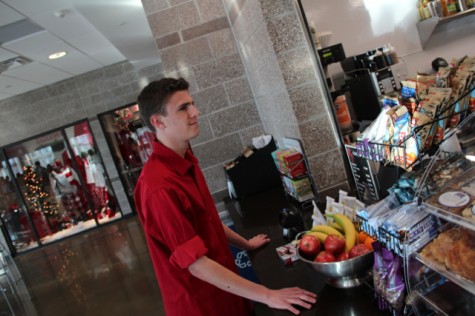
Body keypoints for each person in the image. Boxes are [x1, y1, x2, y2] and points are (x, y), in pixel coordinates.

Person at [134, 78, 317, 316]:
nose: (195, 112)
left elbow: (207, 220)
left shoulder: (185, 157)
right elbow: (197, 265)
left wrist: (245, 243)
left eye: (192, 104)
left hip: (229, 293)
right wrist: (269, 295)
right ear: (158, 122)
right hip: (203, 305)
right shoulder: (158, 188)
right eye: (183, 108)